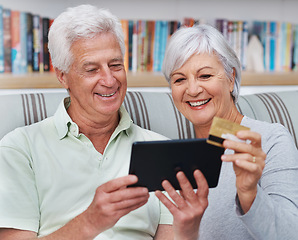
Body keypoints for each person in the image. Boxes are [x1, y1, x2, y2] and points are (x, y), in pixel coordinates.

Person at [0, 4, 202, 240]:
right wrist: (89, 223)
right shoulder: (20, 149)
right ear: (62, 75)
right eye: (91, 69)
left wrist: (190, 230)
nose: (109, 80)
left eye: (115, 65)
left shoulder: (161, 150)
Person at [155, 24, 298, 239]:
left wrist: (250, 194)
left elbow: (291, 234)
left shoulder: (270, 140)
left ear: (231, 78)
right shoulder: (175, 158)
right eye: (179, 79)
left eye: (204, 76)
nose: (193, 90)